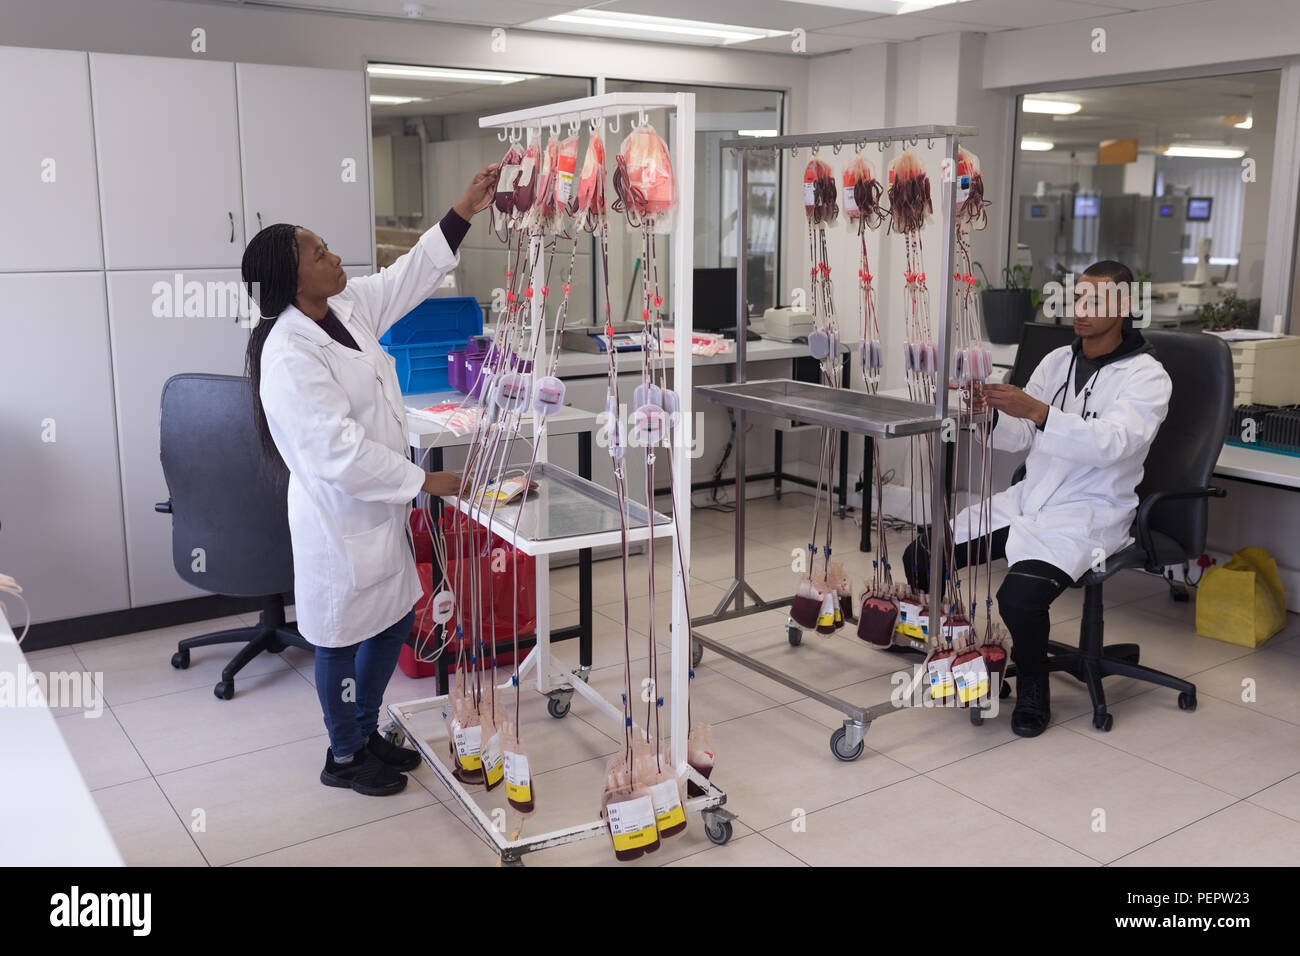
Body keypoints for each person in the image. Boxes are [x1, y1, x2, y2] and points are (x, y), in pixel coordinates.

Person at [241, 163, 499, 795]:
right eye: (319, 253)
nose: (334, 257)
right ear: (292, 279)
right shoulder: (290, 353)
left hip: (378, 510)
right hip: (339, 518)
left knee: (391, 619)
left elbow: (406, 276)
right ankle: (344, 755)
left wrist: (463, 208)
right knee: (337, 640)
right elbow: (338, 452)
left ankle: (364, 728)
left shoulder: (345, 308)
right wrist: (424, 483)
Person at [903, 260, 1171, 737]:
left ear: (1126, 308)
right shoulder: (1057, 362)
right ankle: (962, 652)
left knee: (1021, 599)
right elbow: (1018, 436)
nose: (1081, 310)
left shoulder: (1147, 377)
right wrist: (988, 411)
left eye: (1096, 301)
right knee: (924, 556)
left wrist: (1041, 412)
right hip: (1032, 498)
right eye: (1078, 298)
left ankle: (1032, 689)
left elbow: (1116, 444)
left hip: (1090, 513)